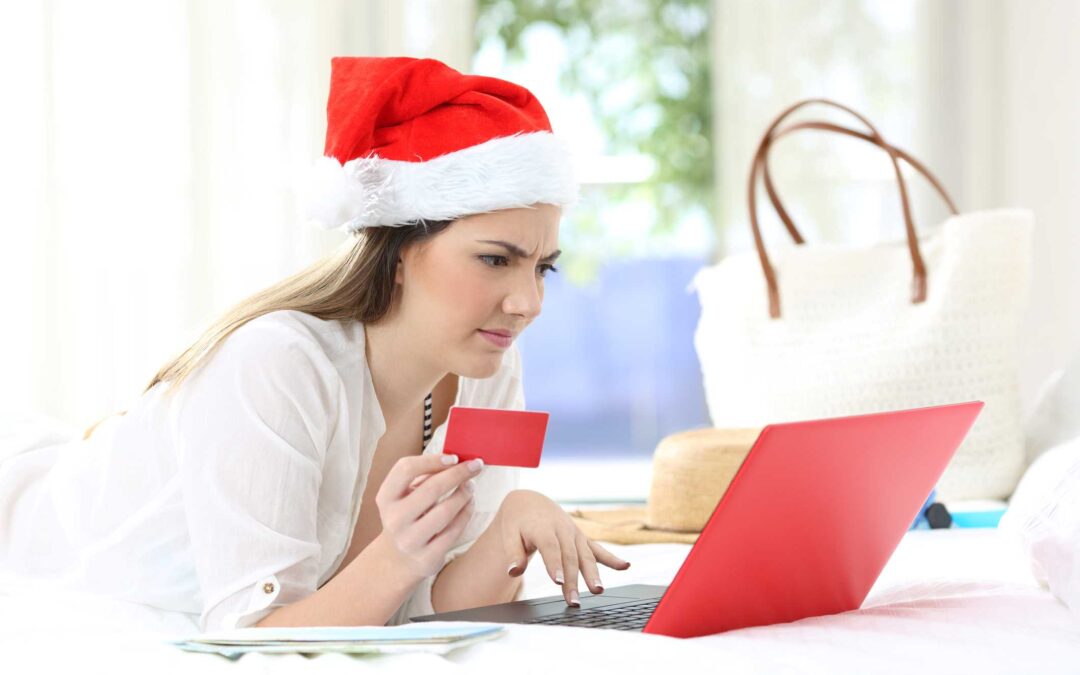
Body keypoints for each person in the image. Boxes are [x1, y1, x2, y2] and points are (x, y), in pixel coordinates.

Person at [0, 56, 631, 632]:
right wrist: (397, 554)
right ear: (401, 251)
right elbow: (254, 639)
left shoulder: (491, 364)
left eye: (543, 266)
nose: (529, 303)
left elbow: (427, 601)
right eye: (496, 260)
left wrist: (509, 528)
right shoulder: (274, 365)